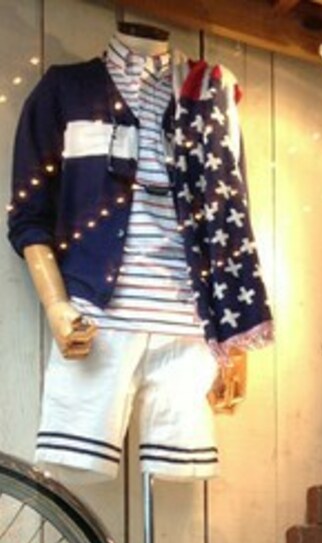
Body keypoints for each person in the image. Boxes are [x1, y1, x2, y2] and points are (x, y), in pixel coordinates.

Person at [7, 22, 273, 481]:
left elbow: (230, 222)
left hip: (190, 332)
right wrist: (56, 305)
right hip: (96, 322)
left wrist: (235, 340)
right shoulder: (66, 91)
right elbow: (30, 215)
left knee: (176, 472)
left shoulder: (208, 96)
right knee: (74, 471)